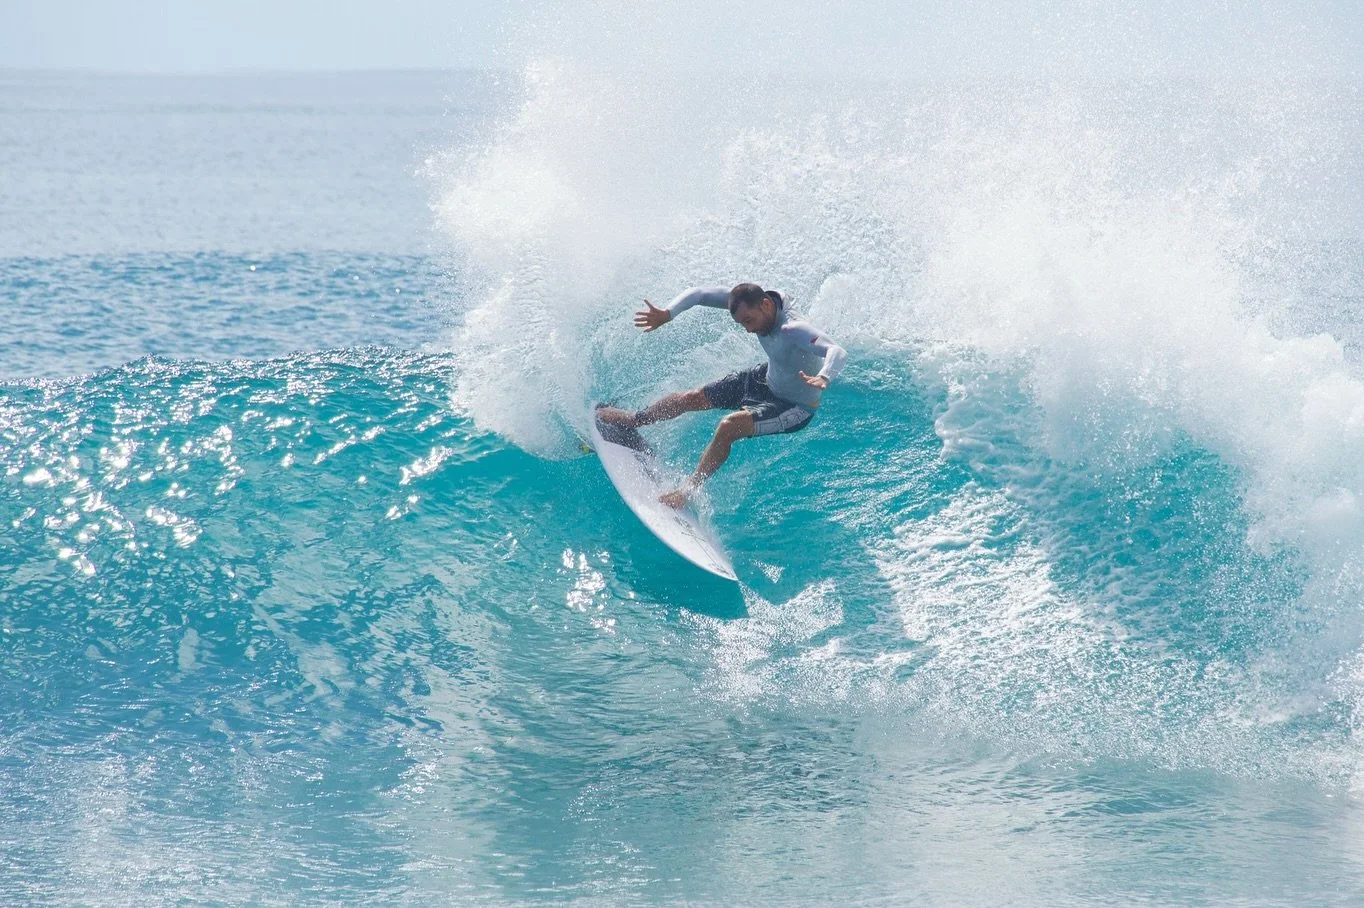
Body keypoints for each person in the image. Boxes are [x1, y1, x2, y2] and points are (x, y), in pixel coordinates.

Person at [596, 282, 847, 508]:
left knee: (728, 426)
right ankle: (635, 419)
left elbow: (836, 350)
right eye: (742, 324)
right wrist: (667, 313)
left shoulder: (794, 329)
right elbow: (700, 294)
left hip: (794, 406)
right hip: (765, 379)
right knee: (692, 397)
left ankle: (686, 492)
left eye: (749, 321)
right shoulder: (753, 301)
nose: (748, 330)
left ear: (766, 305)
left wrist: (824, 375)